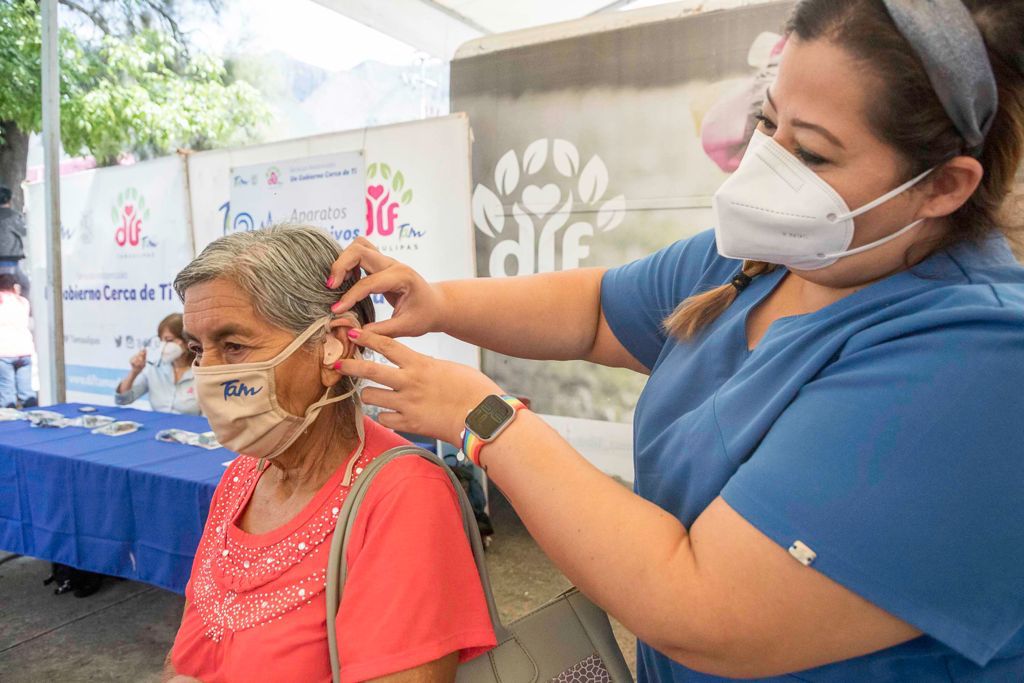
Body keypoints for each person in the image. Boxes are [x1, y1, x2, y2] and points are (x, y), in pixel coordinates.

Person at [326, 1, 1024, 680]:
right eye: (767, 122)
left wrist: (485, 419)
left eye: (812, 153)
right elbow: (596, 311)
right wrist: (441, 303)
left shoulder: (974, 364)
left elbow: (702, 607)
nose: (767, 165)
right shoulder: (774, 259)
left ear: (943, 186)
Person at [163, 225, 495, 683]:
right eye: (198, 349)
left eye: (234, 346)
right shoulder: (244, 474)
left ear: (333, 345)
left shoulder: (403, 495)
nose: (207, 374)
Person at [115, 313, 199, 415]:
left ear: (187, 341)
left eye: (169, 340)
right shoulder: (155, 368)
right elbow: (123, 400)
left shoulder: (200, 371)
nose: (163, 346)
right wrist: (134, 372)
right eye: (161, 340)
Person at [0, 273, 36, 408]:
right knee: (27, 393)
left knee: (7, 393)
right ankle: (33, 415)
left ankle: (8, 420)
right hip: (24, 351)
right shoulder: (23, 302)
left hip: (4, 353)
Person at [0, 186, 29, 296]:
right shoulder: (13, 216)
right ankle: (24, 304)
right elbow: (24, 232)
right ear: (9, 199)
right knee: (25, 285)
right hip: (10, 260)